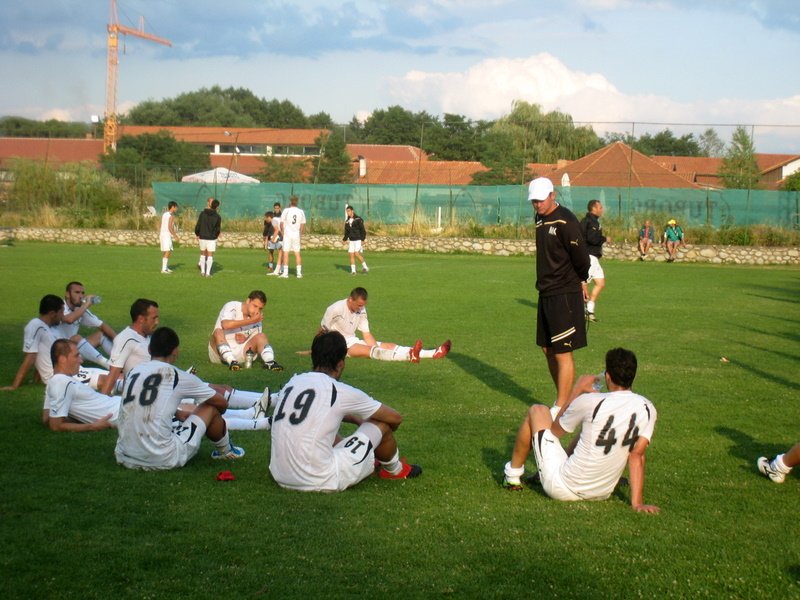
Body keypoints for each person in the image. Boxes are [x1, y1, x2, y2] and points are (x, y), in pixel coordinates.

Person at [502, 347, 660, 514]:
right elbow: (637, 455)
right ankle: (543, 471)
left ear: (607, 376)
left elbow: (554, 430)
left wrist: (577, 390)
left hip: (563, 488)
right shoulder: (647, 407)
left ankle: (512, 476)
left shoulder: (591, 401)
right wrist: (637, 503)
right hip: (602, 492)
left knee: (537, 411)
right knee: (589, 431)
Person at [269, 330, 422, 492]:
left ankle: (368, 458)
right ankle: (395, 470)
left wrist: (356, 419)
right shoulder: (339, 390)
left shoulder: (293, 382)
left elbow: (315, 408)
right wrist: (381, 431)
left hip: (280, 475)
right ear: (341, 363)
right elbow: (395, 418)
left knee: (314, 426)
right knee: (382, 423)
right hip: (320, 479)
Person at [115, 327, 245, 471]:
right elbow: (222, 402)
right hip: (161, 458)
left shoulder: (135, 370)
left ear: (150, 349)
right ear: (175, 351)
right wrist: (212, 417)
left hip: (124, 454)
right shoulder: (177, 375)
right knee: (210, 406)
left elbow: (142, 400)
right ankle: (226, 452)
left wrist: (177, 412)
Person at [528, 177, 591, 414]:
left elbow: (581, 257)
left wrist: (582, 279)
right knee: (547, 349)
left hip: (565, 292)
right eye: (534, 201)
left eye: (541, 200)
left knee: (563, 351)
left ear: (552, 195)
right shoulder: (539, 219)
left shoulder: (566, 220)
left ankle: (562, 404)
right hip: (545, 292)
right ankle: (563, 398)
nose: (537, 205)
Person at [320, 287, 450, 362]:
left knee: (388, 346)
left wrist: (378, 347)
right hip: (339, 346)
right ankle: (409, 355)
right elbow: (321, 330)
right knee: (371, 351)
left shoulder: (361, 310)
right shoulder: (335, 309)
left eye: (363, 305)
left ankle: (433, 353)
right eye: (359, 305)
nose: (361, 308)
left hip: (353, 340)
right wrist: (318, 350)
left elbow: (366, 333)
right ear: (350, 299)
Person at [43, 338, 119, 432]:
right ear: (62, 359)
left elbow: (47, 418)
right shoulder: (60, 382)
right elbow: (55, 425)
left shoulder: (55, 383)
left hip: (122, 406)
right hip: (122, 411)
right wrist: (92, 426)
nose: (81, 360)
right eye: (76, 356)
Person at [208, 290, 283, 371]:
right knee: (218, 331)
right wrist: (251, 321)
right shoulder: (232, 305)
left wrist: (245, 339)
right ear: (248, 301)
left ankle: (270, 362)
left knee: (261, 336)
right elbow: (225, 325)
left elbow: (256, 343)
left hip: (241, 353)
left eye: (260, 308)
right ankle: (231, 361)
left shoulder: (256, 319)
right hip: (219, 353)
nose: (257, 311)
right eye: (255, 306)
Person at [2, 294, 64, 390]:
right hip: (59, 377)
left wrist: (36, 379)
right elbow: (30, 357)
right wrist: (14, 386)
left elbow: (44, 353)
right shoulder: (35, 326)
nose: (63, 316)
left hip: (66, 373)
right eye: (61, 312)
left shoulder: (47, 327)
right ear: (52, 313)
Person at [100, 298, 160, 395]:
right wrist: (101, 401)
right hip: (139, 399)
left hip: (156, 392)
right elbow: (113, 374)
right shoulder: (126, 338)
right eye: (154, 318)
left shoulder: (148, 338)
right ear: (141, 319)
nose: (157, 322)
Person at [52, 281, 117, 369]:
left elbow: (102, 325)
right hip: (58, 353)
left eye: (82, 293)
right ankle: (109, 366)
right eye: (77, 292)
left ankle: (120, 360)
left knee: (100, 334)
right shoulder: (59, 307)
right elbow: (69, 319)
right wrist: (86, 305)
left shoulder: (80, 309)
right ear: (67, 294)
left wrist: (120, 342)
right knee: (76, 338)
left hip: (72, 349)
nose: (81, 296)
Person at [580, 199, 607, 322]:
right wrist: (605, 238)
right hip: (589, 257)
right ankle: (581, 310)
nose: (602, 209)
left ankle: (589, 308)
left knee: (600, 283)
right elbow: (592, 239)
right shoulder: (590, 222)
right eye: (600, 207)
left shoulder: (592, 221)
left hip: (594, 257)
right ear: (594, 208)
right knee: (582, 285)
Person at [278, 195, 306, 279]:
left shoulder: (286, 210)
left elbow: (281, 223)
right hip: (296, 234)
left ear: (290, 201)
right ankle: (299, 273)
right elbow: (302, 224)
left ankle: (285, 273)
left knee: (286, 252)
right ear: (297, 202)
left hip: (288, 234)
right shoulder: (300, 211)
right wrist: (299, 233)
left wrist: (283, 232)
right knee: (297, 253)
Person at [195, 198, 221, 277]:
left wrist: (197, 233)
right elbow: (218, 229)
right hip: (211, 238)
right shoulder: (217, 216)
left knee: (202, 254)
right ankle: (207, 273)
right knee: (210, 256)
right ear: (216, 207)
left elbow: (198, 225)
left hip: (202, 237)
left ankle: (202, 272)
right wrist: (215, 236)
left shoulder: (202, 214)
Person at [343, 205, 369, 275]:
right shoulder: (347, 221)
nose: (347, 213)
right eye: (347, 211)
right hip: (351, 240)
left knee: (356, 253)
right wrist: (344, 239)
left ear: (352, 211)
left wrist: (363, 239)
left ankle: (365, 267)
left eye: (348, 211)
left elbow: (363, 230)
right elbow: (347, 232)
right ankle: (353, 271)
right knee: (351, 254)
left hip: (358, 239)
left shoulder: (358, 219)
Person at [160, 201, 178, 273]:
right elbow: (170, 227)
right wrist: (175, 235)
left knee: (166, 251)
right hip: (166, 235)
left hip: (162, 234)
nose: (176, 209)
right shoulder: (171, 216)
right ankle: (164, 269)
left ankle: (165, 267)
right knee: (168, 251)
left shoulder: (164, 214)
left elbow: (162, 224)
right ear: (173, 207)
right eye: (176, 207)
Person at [268, 202, 284, 276]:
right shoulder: (272, 216)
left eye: (278, 208)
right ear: (273, 208)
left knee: (280, 252)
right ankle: (270, 266)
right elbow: (268, 226)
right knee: (271, 251)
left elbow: (280, 227)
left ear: (280, 208)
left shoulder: (282, 215)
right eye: (275, 208)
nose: (276, 209)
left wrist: (278, 235)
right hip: (272, 235)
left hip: (279, 236)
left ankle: (281, 268)